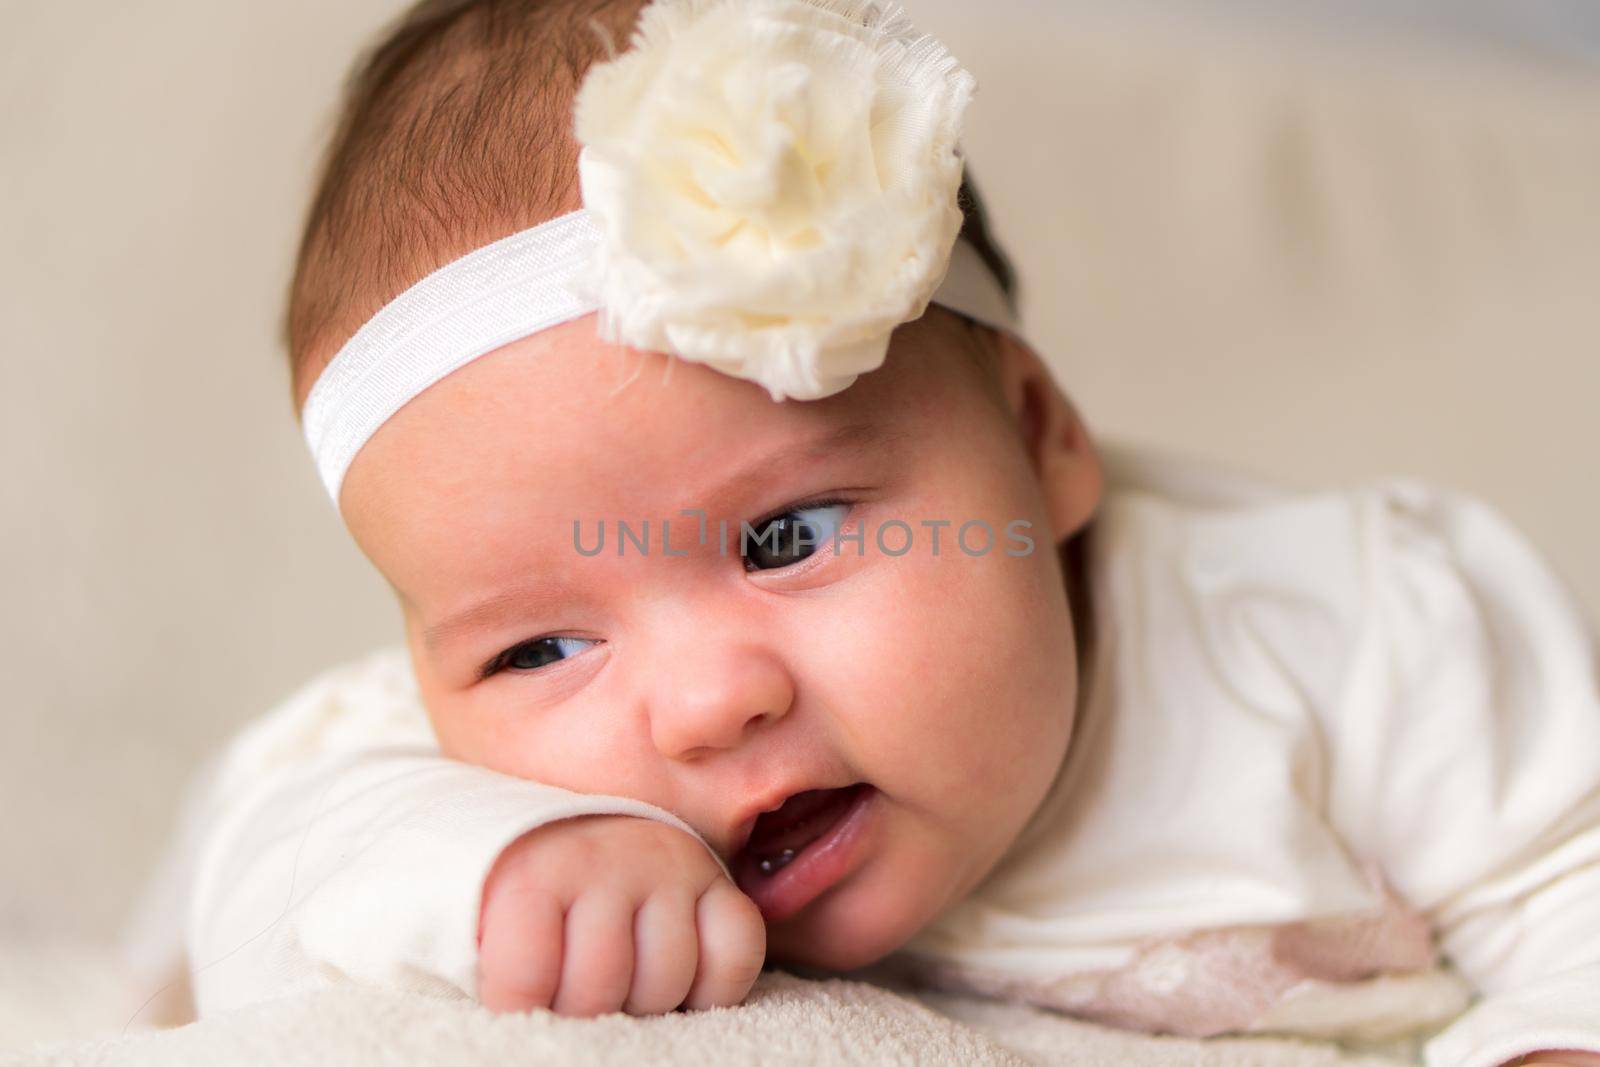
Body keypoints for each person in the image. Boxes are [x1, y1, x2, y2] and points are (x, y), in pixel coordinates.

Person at [131, 2, 1600, 1064]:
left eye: (782, 540)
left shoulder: (1343, 624)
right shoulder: (423, 766)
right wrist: (500, 875)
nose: (709, 705)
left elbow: (1569, 878)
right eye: (541, 645)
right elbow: (246, 902)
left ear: (1040, 437)